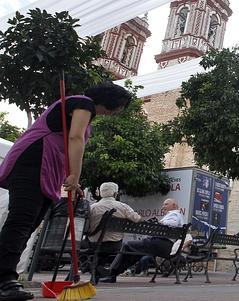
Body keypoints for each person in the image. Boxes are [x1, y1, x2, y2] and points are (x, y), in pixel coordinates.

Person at [0, 82, 132, 300]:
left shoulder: (85, 110)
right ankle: (4, 280)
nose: (119, 112)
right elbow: (75, 139)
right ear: (112, 100)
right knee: (21, 222)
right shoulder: (83, 104)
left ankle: (6, 277)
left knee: (28, 224)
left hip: (46, 169)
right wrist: (75, 175)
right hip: (32, 162)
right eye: (121, 106)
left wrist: (72, 180)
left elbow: (68, 144)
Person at [99, 198, 184, 283]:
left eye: (166, 204)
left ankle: (111, 273)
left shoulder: (174, 214)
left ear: (174, 205)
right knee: (135, 252)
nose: (163, 207)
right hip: (163, 245)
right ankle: (113, 272)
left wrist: (160, 223)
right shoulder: (175, 215)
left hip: (161, 244)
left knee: (127, 245)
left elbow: (172, 223)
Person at [82, 182, 142, 254]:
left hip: (93, 245)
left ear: (101, 193)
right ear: (115, 194)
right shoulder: (123, 207)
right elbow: (137, 219)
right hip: (114, 246)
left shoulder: (92, 208)